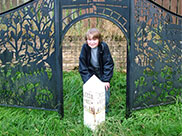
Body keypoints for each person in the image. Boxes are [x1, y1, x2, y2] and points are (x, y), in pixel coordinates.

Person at [79, 28, 114, 113]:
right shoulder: (85, 48)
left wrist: (106, 80)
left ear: (99, 39)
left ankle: (104, 111)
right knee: (90, 90)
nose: (92, 42)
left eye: (94, 39)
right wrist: (87, 80)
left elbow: (108, 63)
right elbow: (82, 65)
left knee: (104, 90)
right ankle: (91, 110)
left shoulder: (103, 47)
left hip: (101, 71)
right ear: (86, 40)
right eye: (89, 40)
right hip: (90, 71)